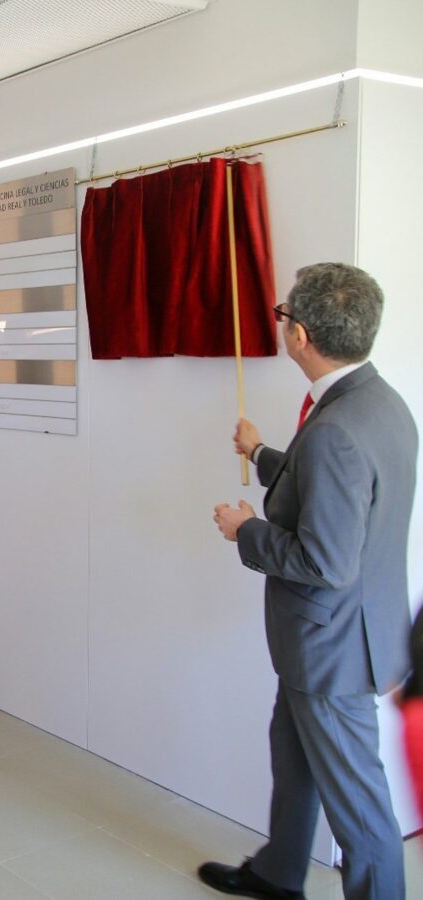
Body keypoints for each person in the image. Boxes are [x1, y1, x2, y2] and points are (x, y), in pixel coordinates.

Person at [203, 263, 416, 900]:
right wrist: (263, 455)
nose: (283, 323)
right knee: (293, 757)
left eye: (283, 314)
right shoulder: (378, 402)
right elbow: (335, 492)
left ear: (300, 337)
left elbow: (326, 562)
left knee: (361, 810)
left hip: (331, 648)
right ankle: (278, 874)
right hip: (342, 637)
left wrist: (246, 531)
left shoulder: (334, 431)